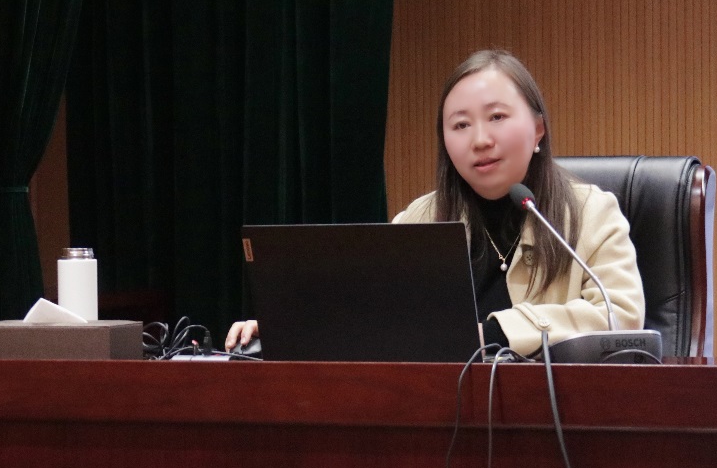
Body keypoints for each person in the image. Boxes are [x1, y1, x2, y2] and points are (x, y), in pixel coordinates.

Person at [226, 48, 644, 357]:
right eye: (460, 125)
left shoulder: (590, 213)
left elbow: (621, 317)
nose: (480, 139)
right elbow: (366, 310)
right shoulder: (422, 219)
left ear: (538, 130)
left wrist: (498, 332)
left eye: (497, 117)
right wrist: (286, 328)